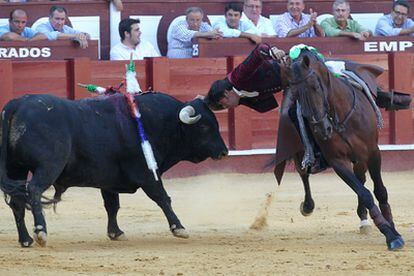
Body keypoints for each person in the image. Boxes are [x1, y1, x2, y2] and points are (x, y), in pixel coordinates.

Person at [205, 43, 286, 112]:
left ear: (226, 93)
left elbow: (259, 50)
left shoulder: (238, 77)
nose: (226, 107)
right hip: (289, 84)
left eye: (222, 104)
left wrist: (271, 52)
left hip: (287, 66)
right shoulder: (242, 97)